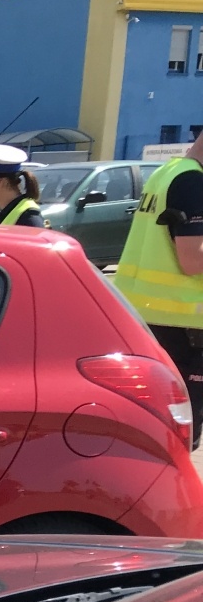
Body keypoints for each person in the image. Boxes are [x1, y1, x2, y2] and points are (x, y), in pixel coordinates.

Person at [113, 128, 203, 446]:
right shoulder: (193, 182)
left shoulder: (169, 172)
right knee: (179, 437)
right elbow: (192, 259)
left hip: (154, 318)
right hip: (185, 326)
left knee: (160, 433)